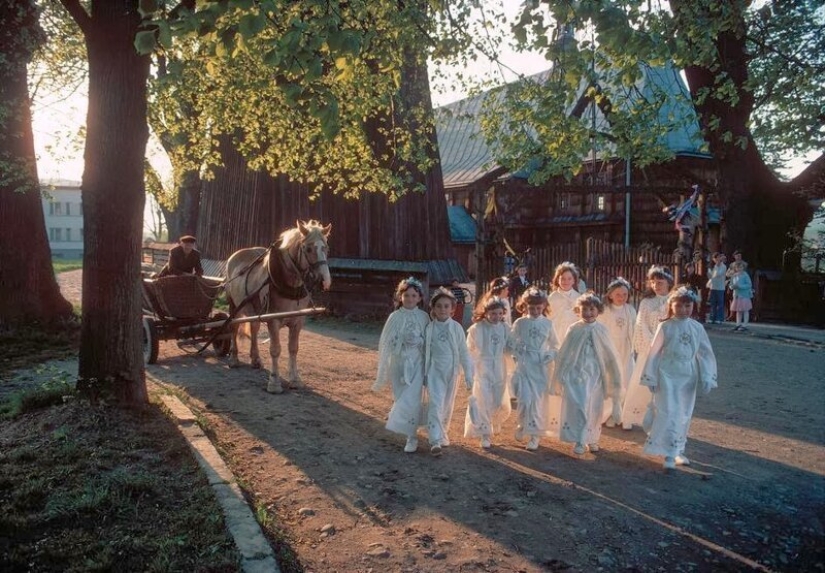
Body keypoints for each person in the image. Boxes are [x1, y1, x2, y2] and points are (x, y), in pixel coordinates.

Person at [641, 286, 717, 469]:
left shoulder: (697, 328)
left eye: (688, 305)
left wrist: (708, 376)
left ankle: (677, 449)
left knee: (683, 412)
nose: (684, 309)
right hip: (667, 372)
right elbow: (654, 352)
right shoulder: (665, 326)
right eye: (679, 305)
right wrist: (650, 376)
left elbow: (705, 353)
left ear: (693, 306)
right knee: (668, 410)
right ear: (671, 306)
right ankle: (668, 452)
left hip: (688, 374)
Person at [551, 293, 622, 455]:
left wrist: (612, 375)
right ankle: (579, 439)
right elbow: (565, 350)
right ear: (578, 310)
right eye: (584, 309)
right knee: (580, 404)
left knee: (594, 406)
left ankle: (592, 438)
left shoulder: (602, 330)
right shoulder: (574, 328)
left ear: (598, 310)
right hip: (576, 373)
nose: (588, 313)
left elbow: (610, 354)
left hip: (595, 373)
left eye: (592, 309)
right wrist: (562, 372)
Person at [372, 277, 431, 453]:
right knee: (401, 397)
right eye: (406, 295)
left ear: (419, 298)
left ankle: (411, 436)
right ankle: (407, 427)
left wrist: (419, 341)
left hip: (417, 364)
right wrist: (400, 340)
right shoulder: (394, 317)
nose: (410, 299)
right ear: (400, 297)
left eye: (414, 296)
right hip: (399, 363)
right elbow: (386, 341)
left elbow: (429, 342)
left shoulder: (424, 317)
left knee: (412, 399)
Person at [621, 265, 674, 430]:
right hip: (649, 348)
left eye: (660, 282)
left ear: (669, 282)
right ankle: (631, 416)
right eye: (653, 282)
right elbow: (641, 323)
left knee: (662, 385)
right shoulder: (646, 302)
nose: (656, 285)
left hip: (667, 348)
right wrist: (653, 343)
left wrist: (666, 344)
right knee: (642, 381)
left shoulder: (674, 300)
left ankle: (658, 419)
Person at [424, 288, 474, 456]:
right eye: (439, 306)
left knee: (447, 404)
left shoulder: (456, 328)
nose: (443, 310)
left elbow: (463, 352)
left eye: (446, 306)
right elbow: (425, 352)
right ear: (433, 309)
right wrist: (424, 373)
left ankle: (443, 432)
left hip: (452, 372)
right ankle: (435, 439)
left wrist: (468, 374)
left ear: (452, 309)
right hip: (435, 371)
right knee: (436, 403)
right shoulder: (430, 328)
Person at [509, 288, 560, 451]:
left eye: (539, 308)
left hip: (540, 366)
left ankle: (535, 435)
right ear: (525, 306)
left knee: (537, 400)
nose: (536, 311)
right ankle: (522, 423)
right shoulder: (520, 323)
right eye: (532, 308)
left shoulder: (548, 324)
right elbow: (511, 341)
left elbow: (555, 344)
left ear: (544, 306)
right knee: (524, 398)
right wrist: (517, 351)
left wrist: (550, 354)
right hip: (524, 364)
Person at [464, 296, 512, 449]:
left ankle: (494, 420)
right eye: (493, 313)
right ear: (485, 313)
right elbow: (469, 349)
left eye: (499, 313)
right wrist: (470, 368)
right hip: (483, 366)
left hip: (499, 366)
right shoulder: (477, 329)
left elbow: (511, 346)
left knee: (497, 399)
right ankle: (485, 433)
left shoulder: (505, 328)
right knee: (483, 399)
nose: (496, 317)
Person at [597, 277, 637, 427]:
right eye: (618, 294)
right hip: (610, 349)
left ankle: (622, 414)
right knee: (611, 381)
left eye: (625, 295)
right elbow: (600, 331)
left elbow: (633, 329)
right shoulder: (605, 310)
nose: (621, 298)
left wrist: (633, 347)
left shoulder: (630, 310)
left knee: (626, 381)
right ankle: (608, 413)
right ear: (610, 295)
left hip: (625, 350)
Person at [548, 262, 581, 344]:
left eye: (569, 279)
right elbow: (548, 317)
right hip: (557, 332)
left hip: (573, 334)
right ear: (557, 280)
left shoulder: (578, 298)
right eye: (562, 279)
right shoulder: (552, 298)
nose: (566, 281)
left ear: (574, 280)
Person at [728, 263, 754, 331]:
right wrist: (732, 287)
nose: (739, 269)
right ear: (735, 268)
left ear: (743, 268)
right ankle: (738, 324)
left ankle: (745, 325)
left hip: (744, 295)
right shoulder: (734, 275)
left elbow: (749, 284)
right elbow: (731, 285)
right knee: (738, 310)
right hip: (736, 295)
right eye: (737, 267)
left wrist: (740, 286)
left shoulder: (745, 275)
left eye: (741, 267)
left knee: (745, 310)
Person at [706, 252, 727, 324]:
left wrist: (713, 272)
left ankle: (719, 319)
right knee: (713, 303)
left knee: (720, 304)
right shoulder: (713, 266)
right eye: (715, 258)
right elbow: (709, 276)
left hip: (720, 287)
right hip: (713, 287)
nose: (717, 259)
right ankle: (712, 318)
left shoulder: (723, 266)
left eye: (718, 257)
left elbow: (718, 274)